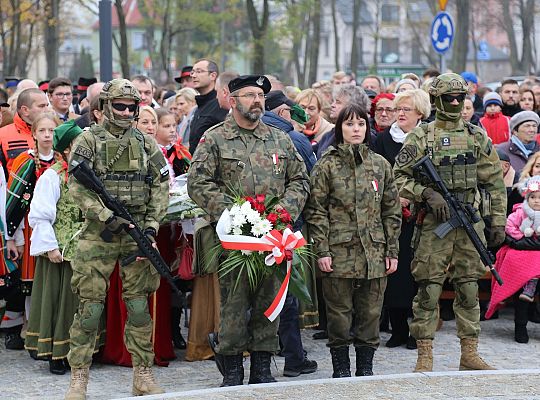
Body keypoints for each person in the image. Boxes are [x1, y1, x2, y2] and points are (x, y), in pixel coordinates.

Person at [187, 75, 309, 386]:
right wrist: (234, 215)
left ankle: (262, 369)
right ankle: (232, 370)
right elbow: (198, 183)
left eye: (260, 95)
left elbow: (299, 180)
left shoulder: (279, 139)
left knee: (269, 303)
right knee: (234, 304)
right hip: (235, 238)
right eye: (249, 95)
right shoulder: (214, 138)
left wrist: (282, 213)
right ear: (231, 100)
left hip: (273, 237)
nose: (257, 100)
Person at [393, 73, 507, 372]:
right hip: (434, 226)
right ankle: (424, 355)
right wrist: (427, 193)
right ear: (436, 100)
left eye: (461, 97)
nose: (456, 102)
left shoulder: (476, 135)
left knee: (469, 289)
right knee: (428, 290)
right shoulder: (421, 136)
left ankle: (469, 353)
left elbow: (494, 181)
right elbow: (398, 177)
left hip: (469, 222)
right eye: (449, 98)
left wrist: (497, 221)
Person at [64, 79, 169, 398]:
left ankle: (143, 374)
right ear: (105, 107)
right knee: (90, 307)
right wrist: (107, 216)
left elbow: (160, 187)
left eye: (131, 107)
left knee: (138, 306)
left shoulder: (147, 143)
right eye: (119, 106)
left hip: (136, 232)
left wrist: (150, 227)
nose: (125, 112)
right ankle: (79, 376)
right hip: (99, 234)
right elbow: (78, 188)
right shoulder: (87, 140)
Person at [304, 104, 401, 377]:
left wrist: (391, 250)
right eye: (349, 124)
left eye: (360, 124)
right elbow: (316, 211)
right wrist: (321, 250)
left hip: (374, 251)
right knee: (339, 315)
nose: (355, 129)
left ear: (367, 128)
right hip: (338, 251)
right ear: (339, 129)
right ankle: (341, 369)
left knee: (371, 313)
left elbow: (391, 211)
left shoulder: (380, 165)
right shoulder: (326, 165)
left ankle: (365, 369)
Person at [25, 120, 103, 375]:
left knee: (87, 300)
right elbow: (40, 215)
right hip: (63, 250)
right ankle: (58, 353)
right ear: (67, 149)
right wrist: (50, 247)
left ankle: (87, 350)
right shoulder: (52, 176)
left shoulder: (91, 175)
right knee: (63, 303)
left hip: (89, 249)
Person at [373, 89, 431, 349]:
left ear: (420, 113)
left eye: (406, 109)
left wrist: (413, 196)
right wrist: (392, 198)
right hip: (390, 216)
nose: (400, 114)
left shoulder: (427, 140)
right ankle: (397, 329)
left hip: (421, 216)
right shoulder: (382, 140)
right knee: (395, 275)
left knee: (418, 276)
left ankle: (417, 331)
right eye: (398, 109)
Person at [188, 58, 229, 154]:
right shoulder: (199, 106)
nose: (193, 76)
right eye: (192, 72)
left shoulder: (220, 105)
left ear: (213, 75)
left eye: (199, 71)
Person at [497, 111, 540, 176]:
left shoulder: (538, 149)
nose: (532, 130)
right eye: (527, 126)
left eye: (534, 126)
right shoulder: (501, 150)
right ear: (515, 132)